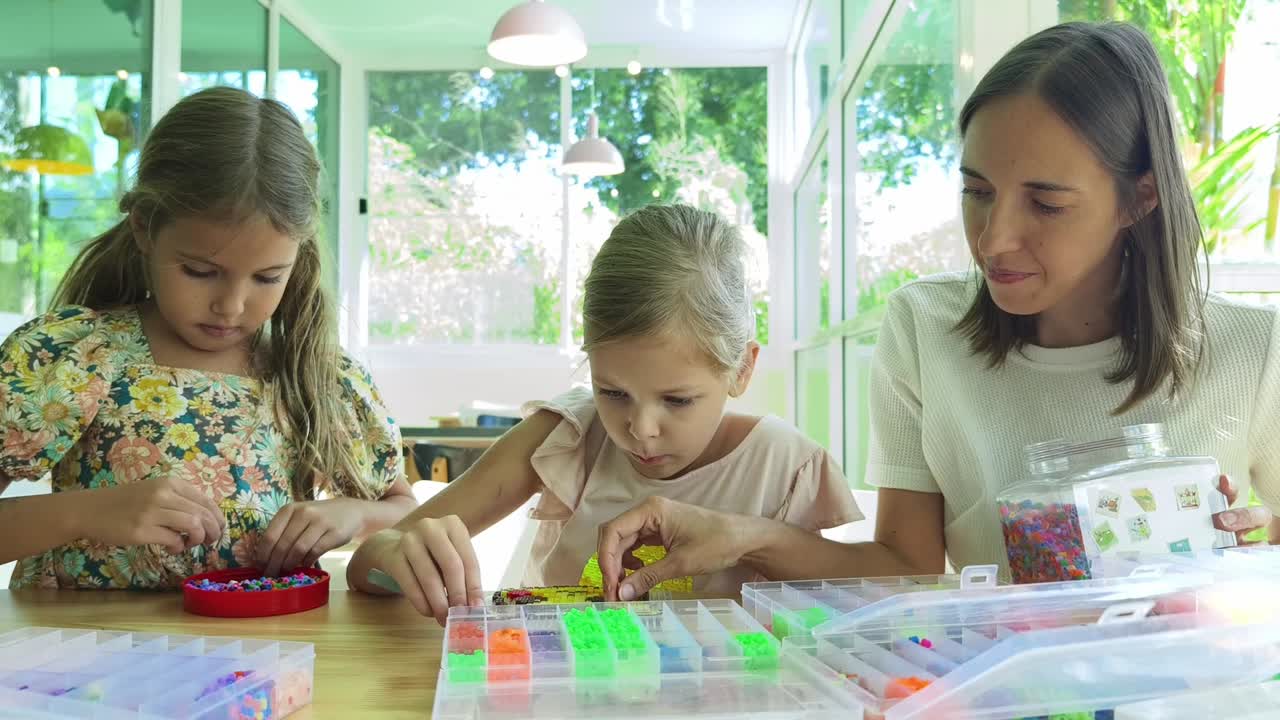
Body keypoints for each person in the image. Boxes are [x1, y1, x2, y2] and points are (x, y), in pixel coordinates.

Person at [594, 21, 1277, 602]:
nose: (993, 238)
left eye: (1045, 203)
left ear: (1140, 198)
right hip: (1000, 690)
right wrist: (738, 535)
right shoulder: (927, 328)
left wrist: (1261, 547)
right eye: (977, 190)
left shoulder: (1256, 351)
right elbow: (905, 565)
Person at [348, 204, 863, 623]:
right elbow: (367, 564)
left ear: (741, 370)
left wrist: (750, 538)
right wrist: (399, 553)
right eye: (612, 392)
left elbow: (879, 587)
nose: (640, 430)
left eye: (677, 401)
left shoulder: (784, 466)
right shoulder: (568, 434)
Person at [0, 86, 417, 589]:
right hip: (83, 657)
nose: (232, 306)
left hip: (264, 656)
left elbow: (402, 509)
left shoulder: (316, 376)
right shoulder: (71, 358)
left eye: (267, 278)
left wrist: (354, 515)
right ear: (144, 230)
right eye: (200, 270)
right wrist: (82, 513)